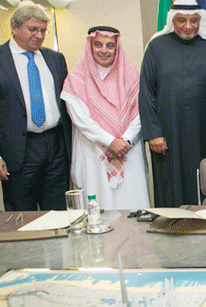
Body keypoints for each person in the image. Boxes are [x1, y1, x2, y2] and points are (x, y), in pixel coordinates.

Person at [0, 0, 71, 211]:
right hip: (17, 149)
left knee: (58, 212)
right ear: (14, 27)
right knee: (21, 215)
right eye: (32, 29)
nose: (39, 35)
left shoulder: (55, 59)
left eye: (43, 31)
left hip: (55, 146)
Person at [139, 0, 206, 207]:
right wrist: (153, 133)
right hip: (166, 133)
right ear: (172, 21)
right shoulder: (156, 47)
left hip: (202, 132)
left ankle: (202, 223)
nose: (188, 26)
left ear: (200, 21)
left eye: (193, 21)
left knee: (201, 181)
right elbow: (146, 92)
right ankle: (172, 224)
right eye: (181, 20)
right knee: (169, 184)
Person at [61, 26, 150, 210]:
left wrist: (125, 140)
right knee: (99, 205)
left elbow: (142, 112)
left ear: (117, 48)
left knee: (132, 202)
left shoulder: (132, 76)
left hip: (128, 150)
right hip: (93, 150)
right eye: (98, 44)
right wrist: (109, 141)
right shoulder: (76, 78)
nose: (104, 50)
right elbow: (79, 118)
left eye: (110, 45)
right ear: (90, 46)